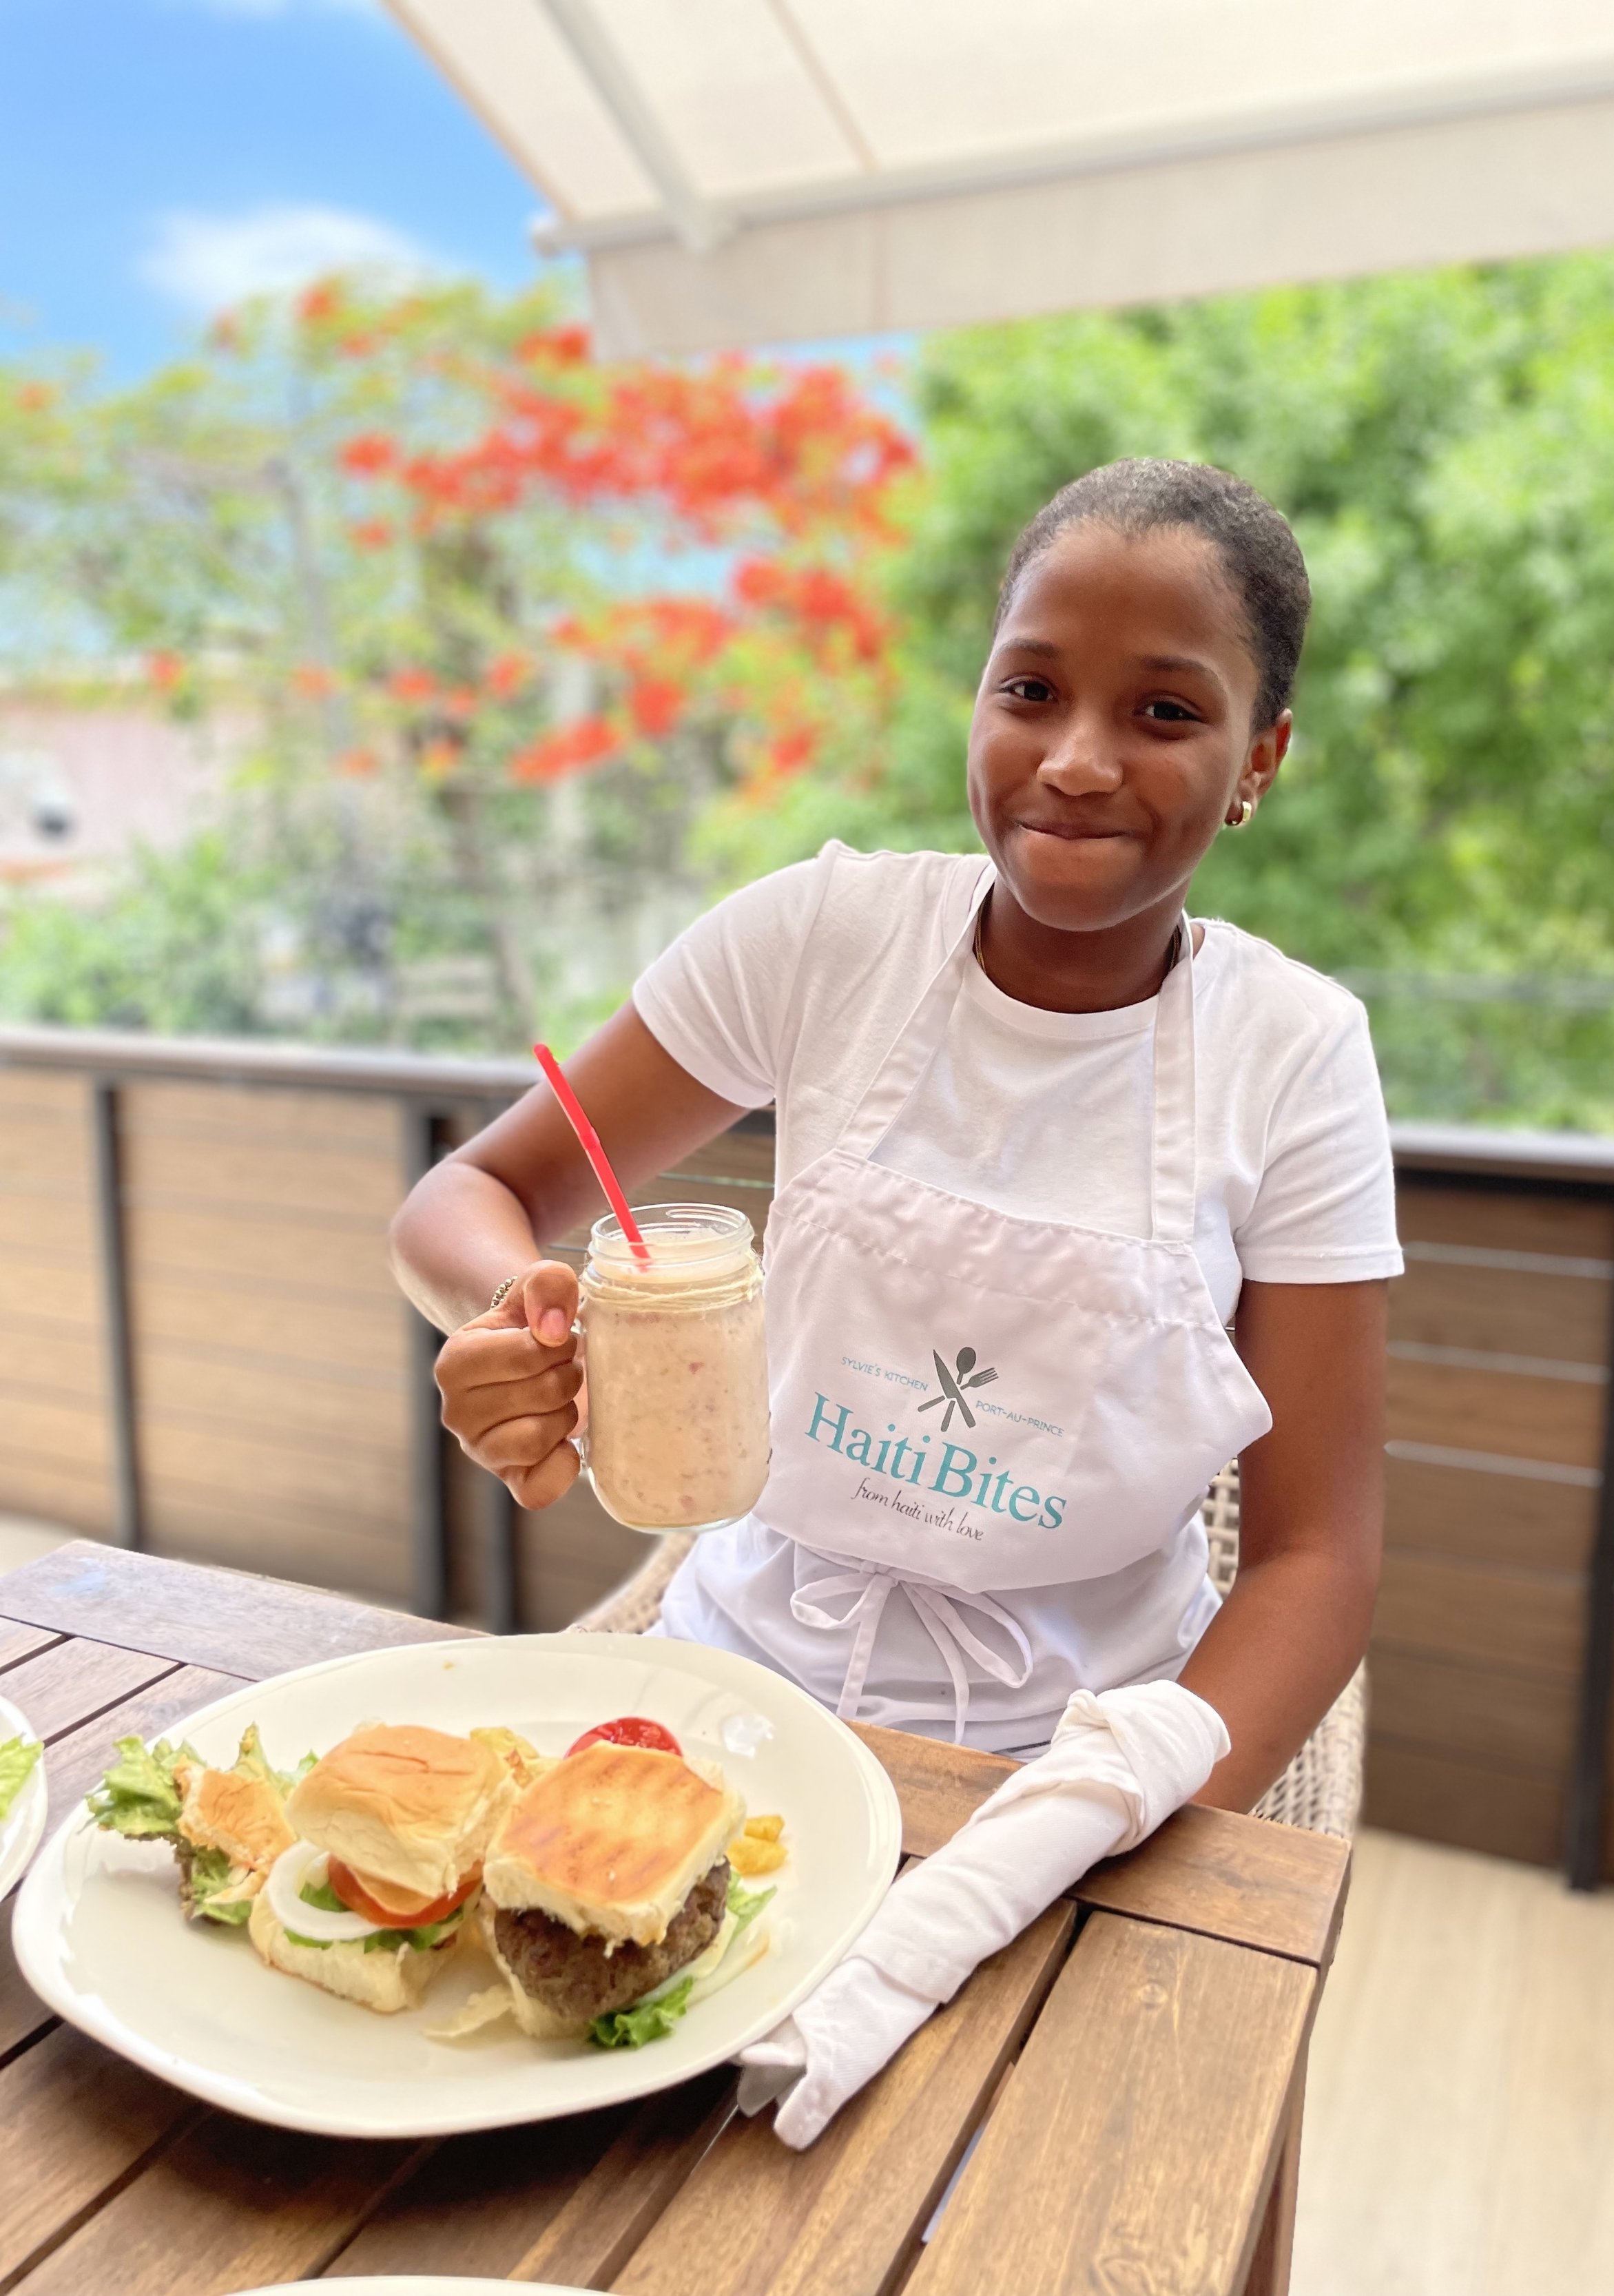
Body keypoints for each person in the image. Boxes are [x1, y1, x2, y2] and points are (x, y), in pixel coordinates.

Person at [391, 457, 1398, 1823]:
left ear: (1257, 761)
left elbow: (1313, 1554)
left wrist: (1104, 1816)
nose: (1077, 759)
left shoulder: (1293, 1051)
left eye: (1162, 710)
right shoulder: (822, 935)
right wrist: (513, 1318)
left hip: (1077, 1756)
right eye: (1028, 690)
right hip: (728, 1706)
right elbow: (475, 1189)